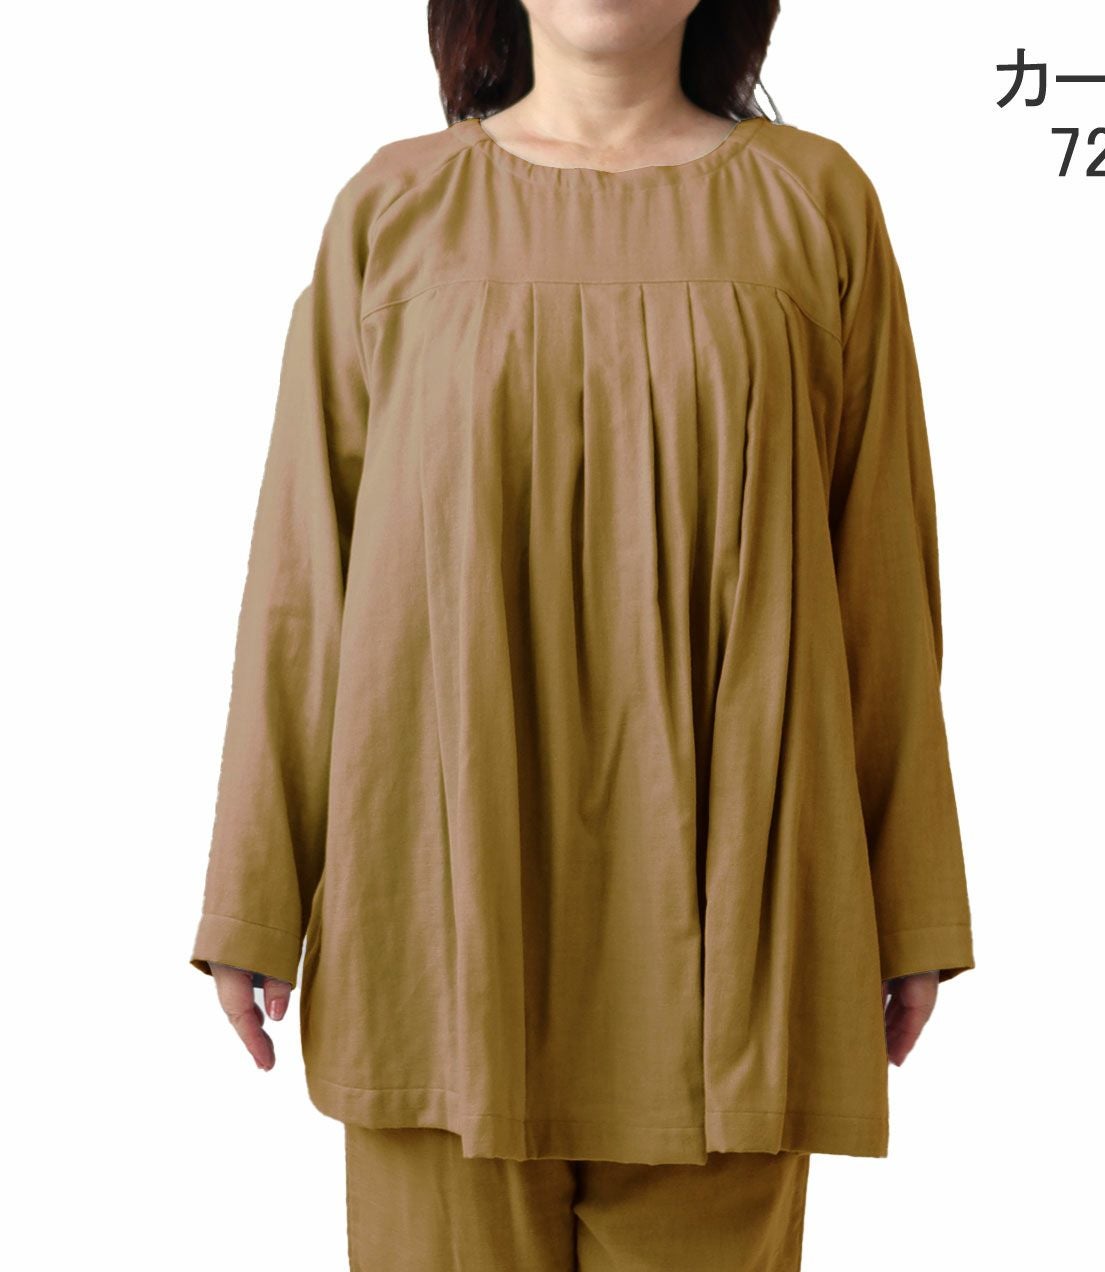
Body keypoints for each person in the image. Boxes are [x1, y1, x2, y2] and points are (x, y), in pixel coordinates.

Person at [189, 1, 976, 1266]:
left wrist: (909, 899)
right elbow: (302, 576)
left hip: (738, 934)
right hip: (438, 925)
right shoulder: (394, 211)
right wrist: (253, 893)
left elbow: (881, 571)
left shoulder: (817, 206)